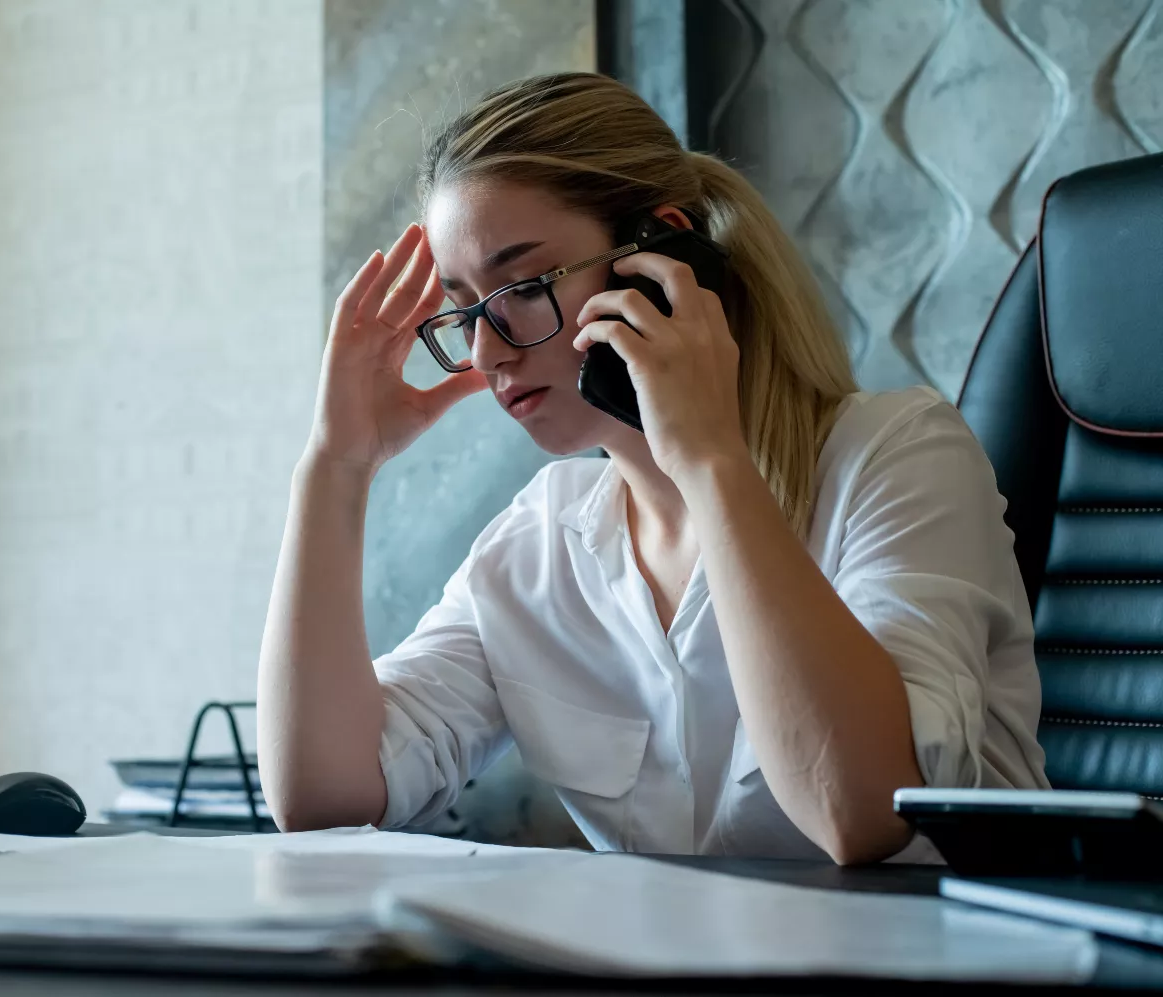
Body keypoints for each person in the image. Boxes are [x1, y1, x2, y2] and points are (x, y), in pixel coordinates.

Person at [257, 72, 1047, 864]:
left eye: (524, 288)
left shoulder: (899, 458)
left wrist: (708, 461)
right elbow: (326, 798)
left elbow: (864, 811)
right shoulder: (539, 544)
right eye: (465, 308)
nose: (487, 351)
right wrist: (335, 465)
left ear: (661, 258)